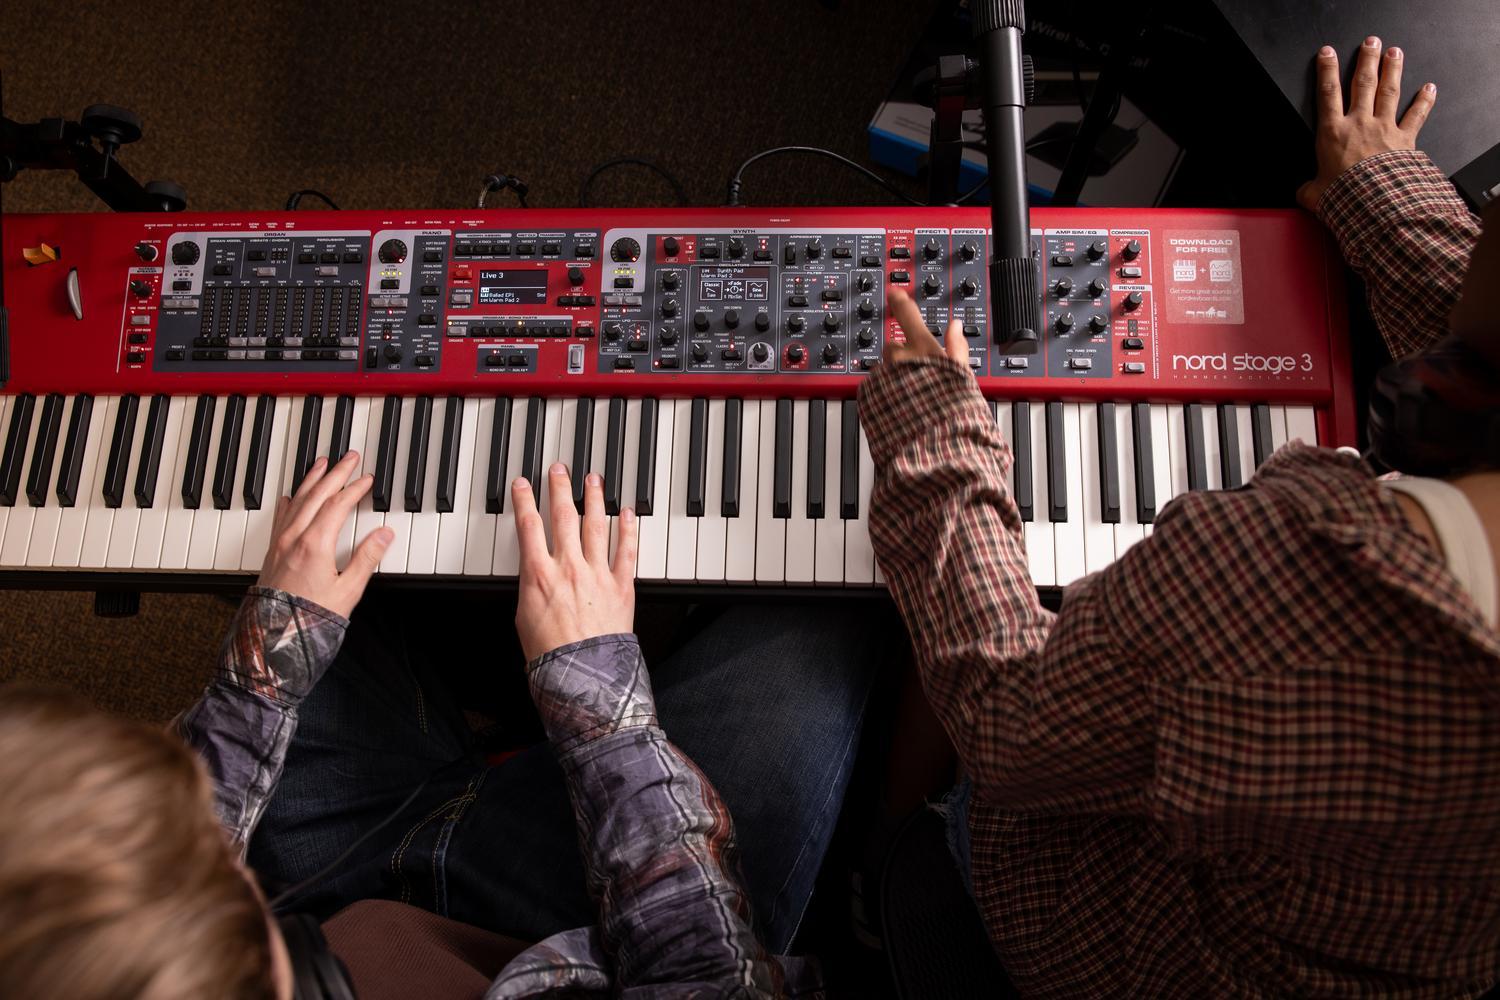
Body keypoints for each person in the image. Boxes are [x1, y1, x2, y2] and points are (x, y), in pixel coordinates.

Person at [858, 35, 1499, 997]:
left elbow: (1006, 723)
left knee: (942, 650)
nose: (1485, 208)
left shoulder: (1291, 598)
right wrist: (1391, 202)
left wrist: (937, 434)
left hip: (1107, 928)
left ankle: (880, 897)